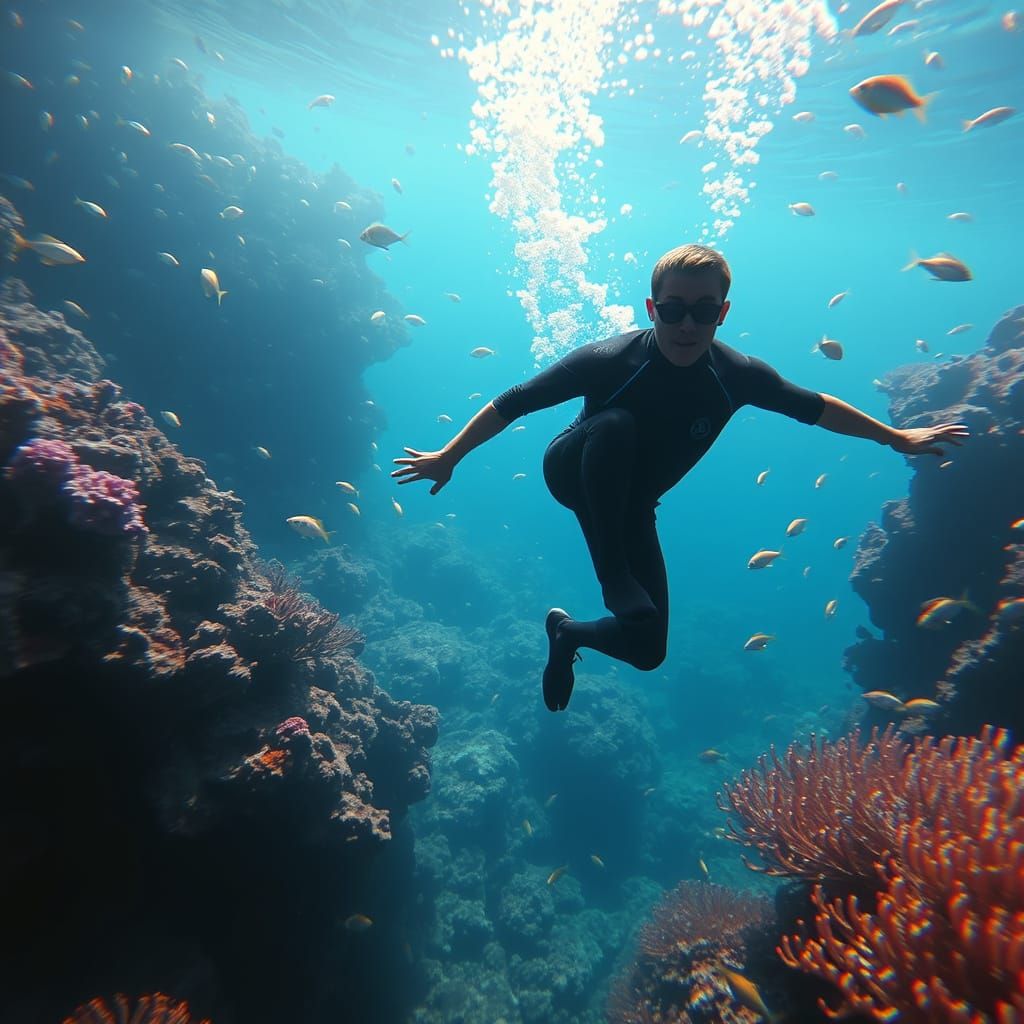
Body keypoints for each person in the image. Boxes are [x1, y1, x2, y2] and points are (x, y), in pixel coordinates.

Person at [391, 244, 969, 712]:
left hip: (632, 505)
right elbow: (514, 401)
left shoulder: (737, 375)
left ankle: (568, 634)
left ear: (723, 312)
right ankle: (612, 576)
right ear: (652, 308)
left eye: (702, 310)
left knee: (647, 650)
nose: (686, 324)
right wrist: (450, 455)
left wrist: (897, 438)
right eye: (673, 309)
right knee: (615, 425)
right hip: (574, 468)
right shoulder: (609, 357)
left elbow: (815, 406)